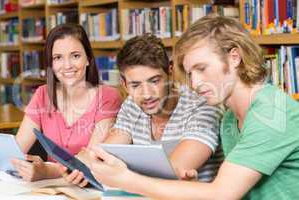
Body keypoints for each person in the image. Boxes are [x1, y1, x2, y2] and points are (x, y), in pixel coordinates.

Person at [85, 15, 299, 200]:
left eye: (202, 68)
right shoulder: (230, 118)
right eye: (190, 73)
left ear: (234, 57)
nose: (195, 84)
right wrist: (193, 188)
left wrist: (127, 179)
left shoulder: (271, 112)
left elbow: (222, 194)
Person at [59, 33, 223, 186]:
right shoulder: (132, 105)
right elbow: (104, 154)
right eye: (135, 85)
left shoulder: (203, 107)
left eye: (154, 81)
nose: (146, 95)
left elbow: (174, 171)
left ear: (170, 72)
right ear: (124, 84)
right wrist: (78, 164)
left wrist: (113, 171)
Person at [11, 24, 122, 182]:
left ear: (88, 59)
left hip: (91, 187)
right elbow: (15, 151)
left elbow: (92, 158)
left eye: (75, 56)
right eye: (58, 58)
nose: (67, 65)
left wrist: (48, 170)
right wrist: (27, 166)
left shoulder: (108, 97)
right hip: (49, 189)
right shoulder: (42, 94)